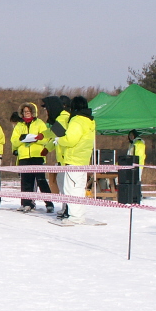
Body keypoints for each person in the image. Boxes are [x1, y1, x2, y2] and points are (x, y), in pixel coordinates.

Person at [55, 96, 95, 225]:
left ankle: (75, 217)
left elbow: (70, 139)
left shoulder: (77, 120)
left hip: (74, 159)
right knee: (78, 188)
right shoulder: (89, 121)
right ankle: (78, 215)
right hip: (83, 159)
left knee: (71, 189)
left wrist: (59, 140)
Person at [11, 102, 54, 213]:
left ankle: (49, 203)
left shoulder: (40, 123)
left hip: (37, 155)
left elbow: (46, 138)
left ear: (33, 112)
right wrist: (21, 139)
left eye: (28, 112)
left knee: (41, 180)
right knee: (26, 181)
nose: (27, 114)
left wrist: (36, 139)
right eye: (25, 112)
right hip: (24, 156)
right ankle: (27, 203)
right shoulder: (19, 125)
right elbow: (14, 141)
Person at [42, 96, 70, 218]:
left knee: (67, 187)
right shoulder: (58, 118)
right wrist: (47, 146)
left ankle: (68, 210)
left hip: (68, 159)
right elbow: (54, 136)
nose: (46, 111)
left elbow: (58, 134)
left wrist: (42, 136)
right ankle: (64, 208)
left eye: (46, 108)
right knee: (61, 184)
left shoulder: (64, 117)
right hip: (61, 159)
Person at [127, 129, 146, 197]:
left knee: (137, 179)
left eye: (132, 135)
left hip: (137, 164)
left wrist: (133, 161)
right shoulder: (132, 143)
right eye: (129, 135)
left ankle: (138, 194)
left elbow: (138, 155)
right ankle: (134, 193)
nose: (131, 137)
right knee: (133, 179)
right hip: (132, 164)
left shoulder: (139, 143)